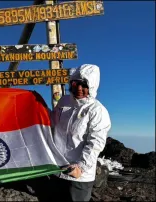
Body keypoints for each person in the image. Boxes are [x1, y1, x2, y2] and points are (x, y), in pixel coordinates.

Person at [50, 64, 111, 201]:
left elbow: (95, 143)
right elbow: (52, 123)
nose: (79, 88)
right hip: (57, 169)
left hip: (78, 176)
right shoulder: (64, 102)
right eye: (76, 83)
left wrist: (81, 168)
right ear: (71, 82)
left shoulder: (97, 110)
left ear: (92, 86)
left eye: (84, 85)